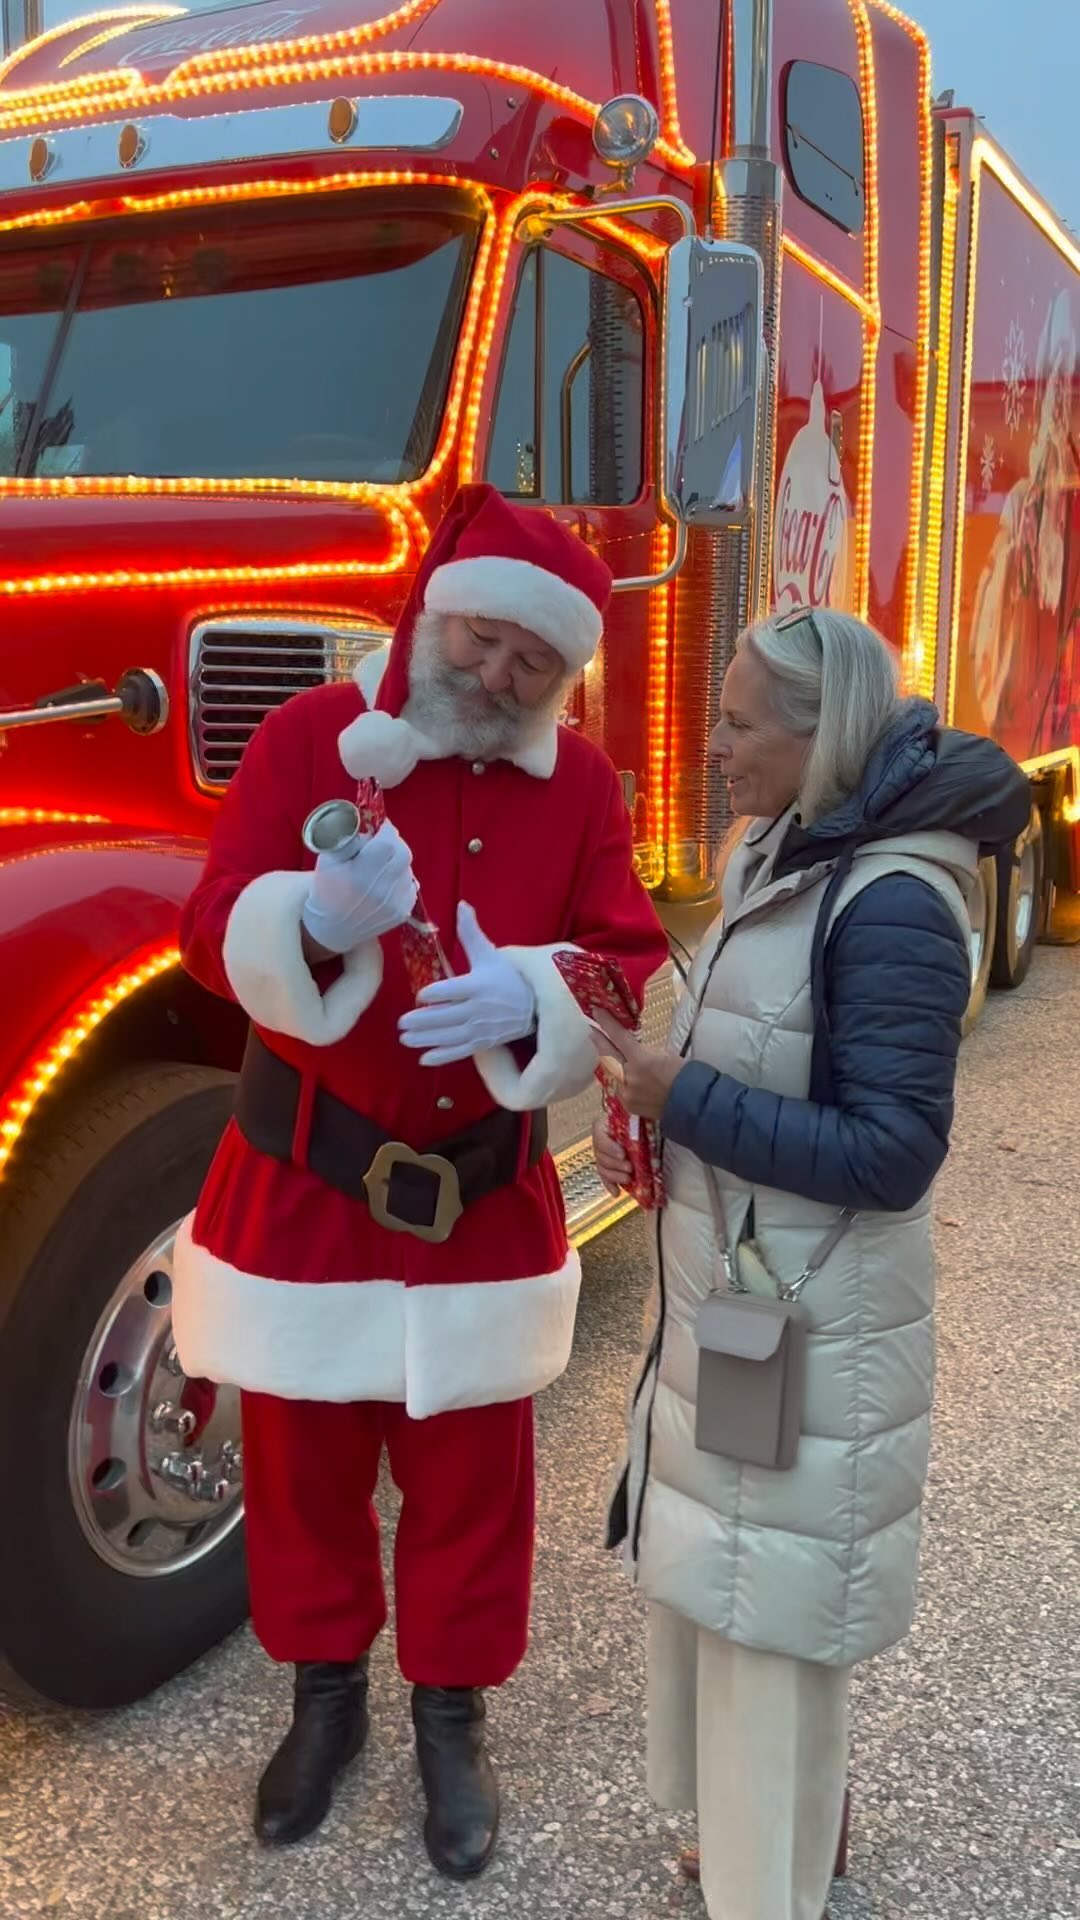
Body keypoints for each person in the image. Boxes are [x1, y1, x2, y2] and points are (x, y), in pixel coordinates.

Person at [171, 483, 668, 1874]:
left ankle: (452, 1718)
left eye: (535, 661)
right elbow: (214, 930)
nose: (499, 674)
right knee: (302, 1465)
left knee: (473, 1480)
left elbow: (631, 961)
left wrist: (531, 1002)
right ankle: (324, 1705)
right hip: (307, 1185)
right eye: (483, 640)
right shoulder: (308, 741)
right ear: (433, 614)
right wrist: (312, 921)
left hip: (480, 1198)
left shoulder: (582, 787)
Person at [593, 607, 1031, 1920]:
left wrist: (688, 1105)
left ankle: (770, 1880)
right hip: (752, 1314)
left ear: (817, 730)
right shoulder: (791, 852)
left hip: (806, 1330)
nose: (715, 746)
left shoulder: (888, 898)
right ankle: (767, 1838)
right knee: (737, 1602)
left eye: (737, 722)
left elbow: (896, 1151)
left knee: (771, 1624)